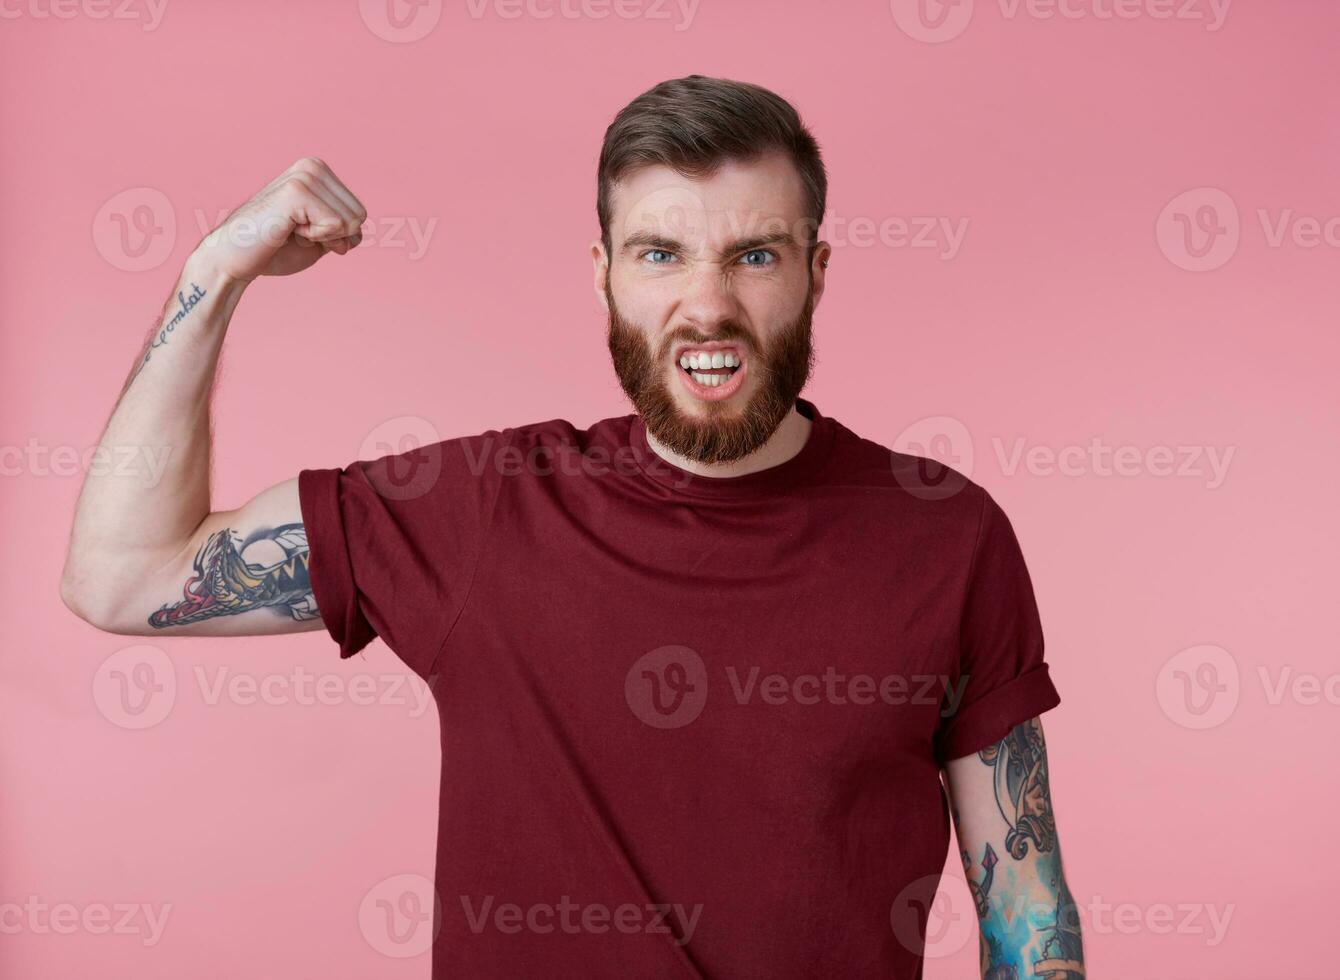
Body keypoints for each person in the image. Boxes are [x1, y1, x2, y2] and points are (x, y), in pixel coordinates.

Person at [61, 74, 1084, 979]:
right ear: (602, 272)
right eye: (659, 253)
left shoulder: (943, 537)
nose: (706, 302)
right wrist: (215, 270)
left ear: (815, 273)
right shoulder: (479, 509)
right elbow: (122, 573)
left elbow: (1022, 911)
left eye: (755, 255)